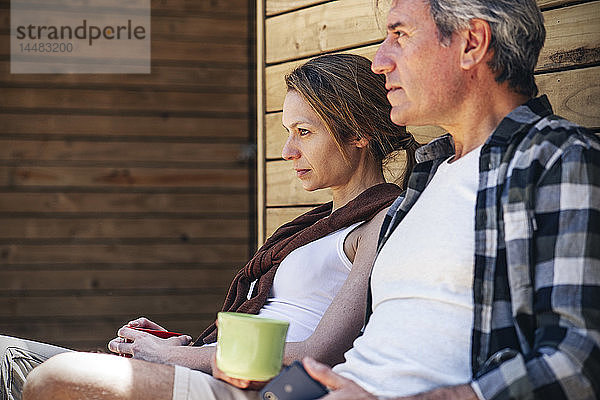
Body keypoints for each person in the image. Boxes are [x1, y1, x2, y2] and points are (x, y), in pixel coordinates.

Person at [15, 53, 420, 400]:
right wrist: (179, 344)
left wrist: (173, 357)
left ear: (359, 133)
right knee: (6, 355)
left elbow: (321, 352)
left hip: (257, 389)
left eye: (304, 132)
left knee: (55, 378)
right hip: (217, 364)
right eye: (286, 133)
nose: (286, 151)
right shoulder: (316, 225)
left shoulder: (380, 220)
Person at [295, 0, 599, 399]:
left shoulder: (559, 159)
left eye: (400, 35)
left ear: (472, 43)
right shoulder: (426, 175)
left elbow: (579, 360)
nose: (379, 61)